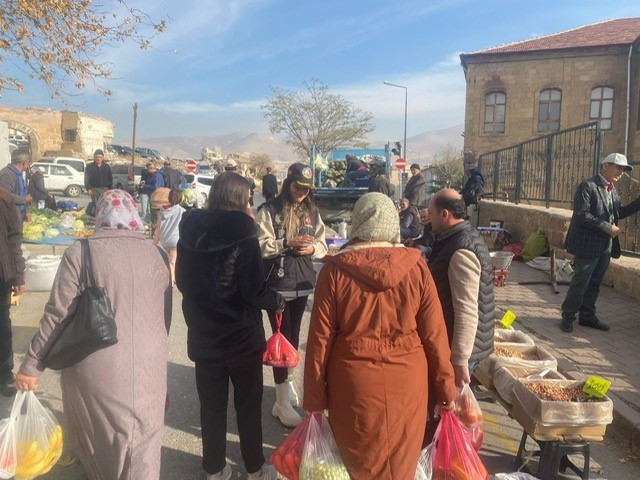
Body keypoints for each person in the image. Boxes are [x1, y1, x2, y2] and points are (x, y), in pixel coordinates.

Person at [15, 189, 172, 479]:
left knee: (104, 444)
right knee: (145, 448)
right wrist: (161, 375)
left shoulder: (82, 251)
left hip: (99, 368)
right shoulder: (158, 254)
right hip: (150, 368)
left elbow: (58, 314)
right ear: (134, 214)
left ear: (101, 214)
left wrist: (31, 365)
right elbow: (165, 319)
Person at [303, 192, 457, 479]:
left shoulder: (333, 273)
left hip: (352, 386)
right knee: (400, 466)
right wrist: (446, 390)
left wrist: (314, 401)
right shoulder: (417, 268)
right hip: (409, 385)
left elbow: (318, 344)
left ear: (358, 222)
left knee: (358, 465)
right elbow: (435, 336)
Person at [176, 172, 285, 480]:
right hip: (240, 339)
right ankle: (254, 468)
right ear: (240, 198)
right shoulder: (244, 232)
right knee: (248, 406)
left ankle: (214, 469)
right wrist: (276, 300)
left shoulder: (189, 231)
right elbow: (253, 290)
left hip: (203, 336)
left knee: (210, 407)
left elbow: (181, 280)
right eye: (248, 198)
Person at [256, 162, 327, 427]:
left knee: (294, 338)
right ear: (288, 183)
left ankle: (287, 387)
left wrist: (312, 250)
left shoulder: (312, 210)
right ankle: (281, 400)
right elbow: (261, 246)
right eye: (298, 187)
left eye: (307, 189)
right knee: (279, 342)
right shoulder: (268, 210)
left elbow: (322, 242)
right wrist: (286, 244)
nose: (302, 193)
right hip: (277, 284)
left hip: (303, 282)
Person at [560, 153, 640, 333]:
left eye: (624, 169)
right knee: (581, 281)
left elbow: (618, 213)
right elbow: (582, 215)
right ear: (605, 166)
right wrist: (608, 227)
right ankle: (568, 316)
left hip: (605, 245)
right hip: (588, 245)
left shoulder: (613, 190)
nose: (621, 172)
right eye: (618, 167)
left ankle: (587, 316)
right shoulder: (587, 186)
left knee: (595, 282)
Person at [427, 189, 495, 388]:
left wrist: (460, 360)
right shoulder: (457, 237)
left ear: (444, 214)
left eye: (431, 213)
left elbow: (466, 310)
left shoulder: (461, 250)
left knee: (457, 412)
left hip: (464, 349)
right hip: (467, 344)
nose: (428, 218)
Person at [0, 187, 25, 397]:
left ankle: (4, 376)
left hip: (1, 276)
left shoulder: (4, 199)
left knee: (1, 326)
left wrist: (18, 276)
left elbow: (15, 239)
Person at [153, 189, 186, 281]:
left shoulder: (162, 211)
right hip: (175, 240)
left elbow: (158, 227)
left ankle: (169, 275)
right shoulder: (182, 211)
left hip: (164, 239)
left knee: (169, 260)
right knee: (173, 262)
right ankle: (170, 281)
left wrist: (155, 242)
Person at [0, 149, 32, 220]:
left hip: (18, 215)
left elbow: (20, 193)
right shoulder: (7, 175)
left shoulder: (19, 174)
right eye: (28, 163)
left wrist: (25, 212)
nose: (28, 165)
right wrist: (25, 199)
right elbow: (5, 195)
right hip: (9, 218)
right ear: (24, 163)